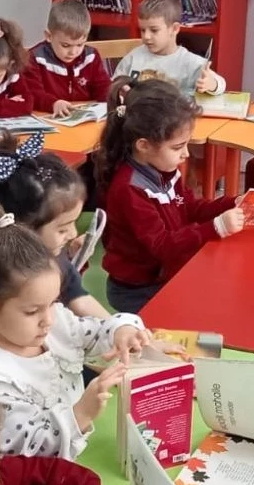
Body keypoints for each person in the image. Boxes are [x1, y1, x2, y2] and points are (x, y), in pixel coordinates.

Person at [0, 201, 146, 460]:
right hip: (44, 477)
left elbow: (95, 333)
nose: (47, 319)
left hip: (84, 454)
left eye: (53, 302)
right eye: (32, 311)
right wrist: (81, 414)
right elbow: (27, 453)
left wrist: (121, 330)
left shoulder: (53, 323)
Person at [0, 133, 112, 366]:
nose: (73, 233)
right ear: (25, 229)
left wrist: (118, 329)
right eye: (62, 228)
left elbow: (80, 300)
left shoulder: (51, 258)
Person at [97, 76, 245, 314]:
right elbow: (162, 245)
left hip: (163, 274)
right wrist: (216, 227)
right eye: (177, 147)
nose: (186, 154)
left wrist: (231, 203)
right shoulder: (130, 189)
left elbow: (189, 207)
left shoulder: (164, 169)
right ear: (143, 145)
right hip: (137, 290)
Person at [111, 0, 224, 99]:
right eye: (142, 30)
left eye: (154, 30)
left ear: (174, 29)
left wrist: (212, 84)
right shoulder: (133, 57)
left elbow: (221, 85)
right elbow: (114, 84)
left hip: (175, 112)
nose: (146, 36)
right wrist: (119, 88)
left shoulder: (189, 62)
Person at [25, 0, 111, 116]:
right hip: (47, 117)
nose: (73, 52)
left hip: (84, 120)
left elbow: (102, 86)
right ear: (49, 36)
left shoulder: (91, 56)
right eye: (65, 45)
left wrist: (115, 94)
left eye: (80, 45)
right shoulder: (34, 58)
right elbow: (32, 93)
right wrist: (53, 104)